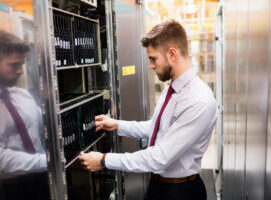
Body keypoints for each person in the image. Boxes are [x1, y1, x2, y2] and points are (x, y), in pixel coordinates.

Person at [79, 20, 218, 200]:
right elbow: (157, 128)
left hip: (180, 192)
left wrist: (105, 160)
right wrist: (117, 125)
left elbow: (160, 157)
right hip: (157, 186)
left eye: (153, 58)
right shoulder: (173, 88)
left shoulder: (197, 100)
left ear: (172, 54)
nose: (151, 65)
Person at [0, 31, 49, 200]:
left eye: (22, 64)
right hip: (10, 189)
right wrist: (48, 161)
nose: (21, 71)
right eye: (14, 65)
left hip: (43, 179)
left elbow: (44, 131)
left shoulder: (22, 96)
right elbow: (2, 161)